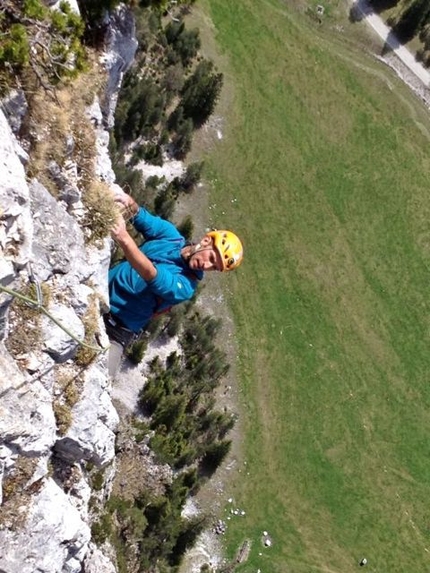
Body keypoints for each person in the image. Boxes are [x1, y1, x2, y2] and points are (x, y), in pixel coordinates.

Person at [104, 187, 243, 377]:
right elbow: (141, 217)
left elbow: (151, 274)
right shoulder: (171, 237)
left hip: (116, 331)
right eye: (211, 257)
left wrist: (124, 239)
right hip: (100, 291)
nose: (207, 265)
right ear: (205, 241)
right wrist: (128, 202)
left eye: (214, 267)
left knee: (101, 378)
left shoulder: (185, 286)